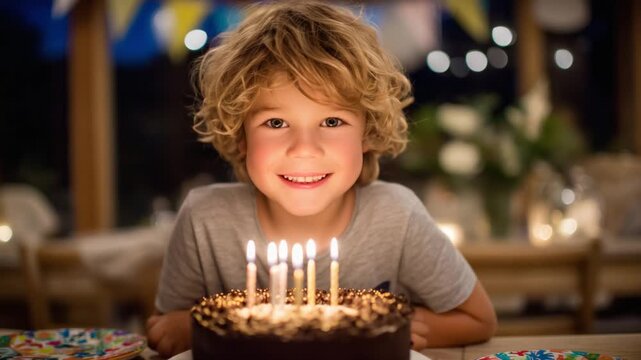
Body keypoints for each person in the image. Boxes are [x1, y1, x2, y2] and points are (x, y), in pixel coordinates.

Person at [147, 1, 497, 357]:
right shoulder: (204, 220)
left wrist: (406, 329)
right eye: (276, 123)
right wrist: (185, 325)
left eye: (331, 122)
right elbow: (166, 327)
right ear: (241, 135)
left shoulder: (397, 217)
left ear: (367, 132)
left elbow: (478, 319)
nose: (304, 149)